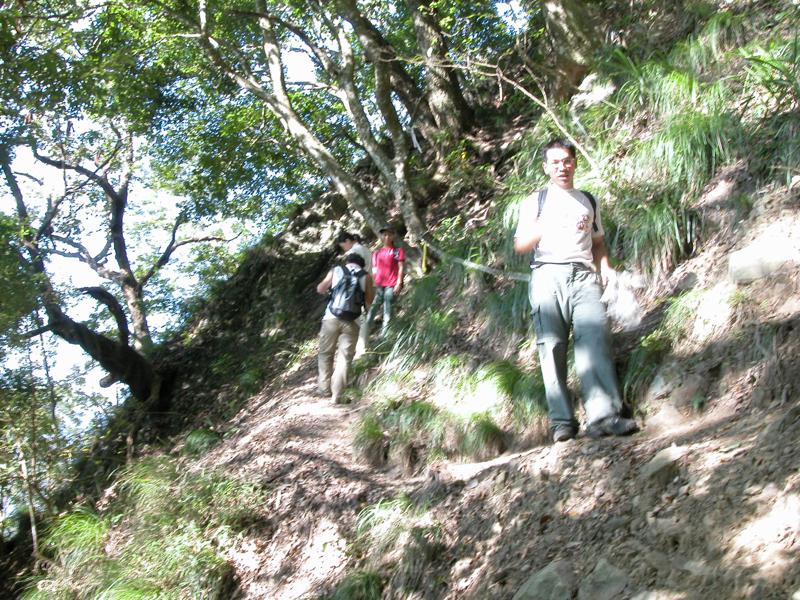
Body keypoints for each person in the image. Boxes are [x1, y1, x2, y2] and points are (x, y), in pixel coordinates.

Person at [513, 138, 639, 443]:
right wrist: (543, 225)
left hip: (584, 277)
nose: (562, 167)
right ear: (546, 167)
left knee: (594, 337)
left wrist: (605, 267)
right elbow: (520, 245)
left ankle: (603, 417)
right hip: (547, 275)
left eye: (567, 161)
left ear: (574, 163)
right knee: (552, 346)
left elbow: (598, 243)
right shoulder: (536, 201)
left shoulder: (588, 201)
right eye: (555, 162)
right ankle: (562, 422)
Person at [316, 253, 374, 403]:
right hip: (352, 321)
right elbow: (369, 300)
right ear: (361, 265)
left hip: (331, 318)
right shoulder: (366, 276)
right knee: (344, 359)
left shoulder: (336, 270)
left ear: (348, 261)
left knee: (325, 354)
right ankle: (337, 395)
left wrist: (331, 290)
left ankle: (324, 389)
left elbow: (320, 289)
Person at [336, 231, 373, 355]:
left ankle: (362, 348)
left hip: (358, 287)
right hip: (369, 283)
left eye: (343, 246)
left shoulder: (354, 251)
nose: (344, 249)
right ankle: (362, 346)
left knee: (360, 317)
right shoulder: (364, 249)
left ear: (347, 241)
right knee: (363, 316)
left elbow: (353, 272)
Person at [366, 225, 405, 338]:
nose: (387, 237)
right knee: (374, 307)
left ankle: (385, 335)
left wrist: (399, 283)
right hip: (379, 285)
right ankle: (365, 330)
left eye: (389, 234)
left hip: (392, 284)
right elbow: (374, 269)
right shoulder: (376, 253)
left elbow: (401, 267)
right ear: (382, 236)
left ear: (393, 236)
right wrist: (374, 283)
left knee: (388, 308)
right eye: (385, 234)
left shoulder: (397, 251)